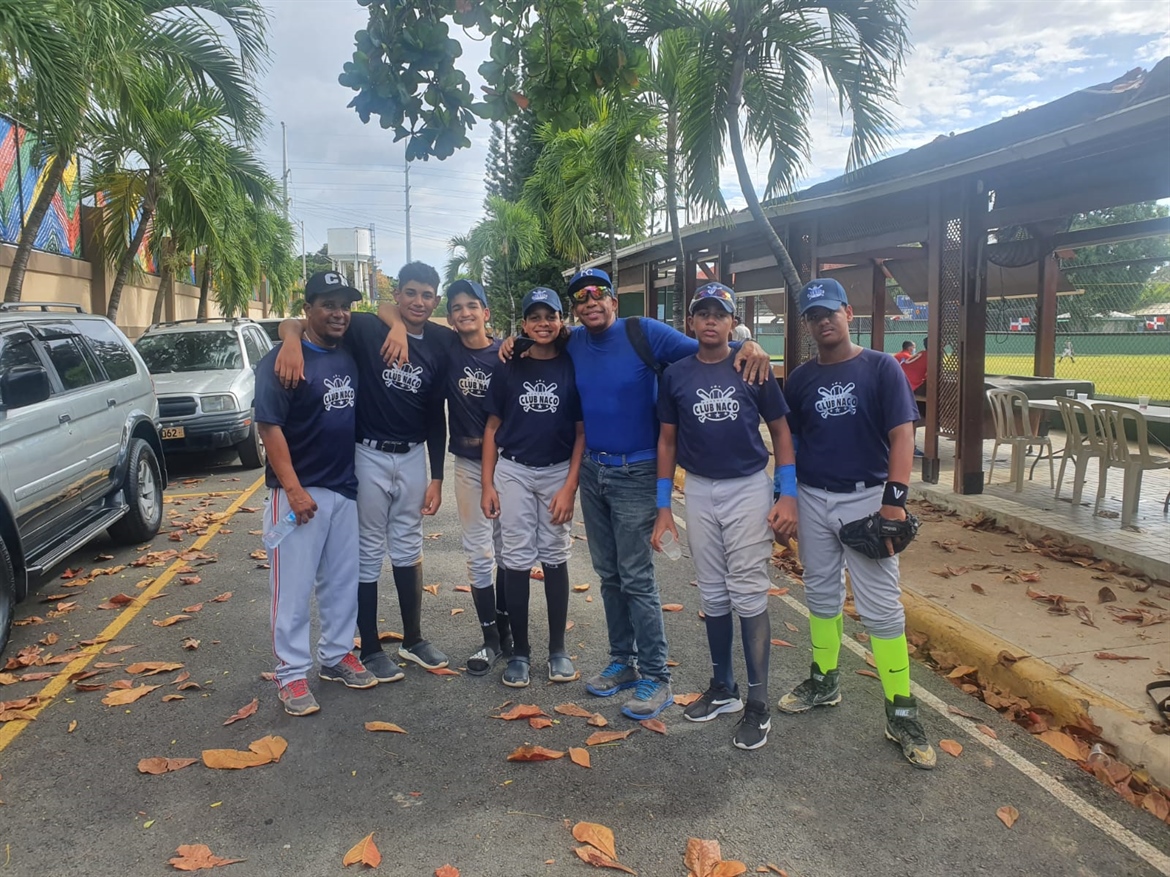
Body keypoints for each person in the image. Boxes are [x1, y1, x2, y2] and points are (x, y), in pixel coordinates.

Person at [500, 267, 772, 721]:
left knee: (636, 576)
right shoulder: (574, 341)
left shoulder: (643, 332)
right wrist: (513, 341)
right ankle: (622, 660)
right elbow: (539, 337)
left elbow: (709, 348)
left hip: (638, 470)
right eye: (581, 298)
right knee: (608, 574)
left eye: (598, 294)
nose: (590, 302)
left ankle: (656, 675)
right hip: (594, 470)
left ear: (613, 300)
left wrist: (750, 344)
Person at [779, 278, 936, 770]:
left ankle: (901, 711)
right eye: (813, 315)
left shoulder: (881, 367)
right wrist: (785, 495)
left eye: (830, 311)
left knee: (881, 608)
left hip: (868, 497)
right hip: (813, 494)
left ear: (848, 313)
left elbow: (903, 435)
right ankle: (824, 680)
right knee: (820, 592)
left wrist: (894, 503)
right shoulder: (801, 379)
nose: (823, 321)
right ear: (807, 324)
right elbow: (792, 443)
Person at [275, 262, 450, 684]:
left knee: (408, 544)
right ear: (397, 295)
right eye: (410, 293)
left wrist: (438, 475)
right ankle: (369, 647)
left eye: (427, 295)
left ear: (436, 300)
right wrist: (291, 341)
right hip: (369, 452)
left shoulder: (440, 340)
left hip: (412, 454)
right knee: (368, 549)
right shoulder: (369, 328)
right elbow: (298, 322)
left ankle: (413, 638)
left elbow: (435, 415)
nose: (418, 302)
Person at [652, 282, 799, 750]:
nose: (711, 320)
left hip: (747, 487)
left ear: (733, 321)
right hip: (698, 488)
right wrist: (663, 507)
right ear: (691, 321)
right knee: (713, 591)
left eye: (720, 313)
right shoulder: (676, 374)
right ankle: (723, 688)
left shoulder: (751, 365)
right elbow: (667, 441)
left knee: (749, 592)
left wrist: (787, 492)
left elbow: (781, 431)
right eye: (703, 313)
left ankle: (758, 702)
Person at [255, 271, 376, 716]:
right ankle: (290, 674)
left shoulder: (346, 354)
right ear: (308, 309)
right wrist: (293, 489)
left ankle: (337, 655)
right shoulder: (281, 360)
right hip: (298, 495)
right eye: (328, 304)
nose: (339, 313)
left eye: (345, 305)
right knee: (292, 589)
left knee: (342, 582)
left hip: (343, 488)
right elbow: (269, 426)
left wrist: (290, 331)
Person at [481, 288, 585, 688]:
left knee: (555, 554)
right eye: (535, 317)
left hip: (557, 470)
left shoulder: (572, 364)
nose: (543, 323)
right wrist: (488, 484)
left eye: (550, 316)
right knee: (516, 558)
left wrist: (570, 486)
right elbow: (492, 428)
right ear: (524, 323)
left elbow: (581, 432)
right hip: (515, 471)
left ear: (561, 320)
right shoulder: (509, 365)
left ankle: (557, 650)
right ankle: (520, 652)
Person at [441, 280, 512, 674]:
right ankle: (490, 639)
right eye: (457, 307)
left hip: (509, 465)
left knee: (508, 551)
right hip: (468, 463)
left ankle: (508, 630)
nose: (464, 312)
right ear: (450, 317)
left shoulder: (507, 353)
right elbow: (389, 313)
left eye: (472, 305)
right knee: (479, 552)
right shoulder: (447, 349)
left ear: (486, 312)